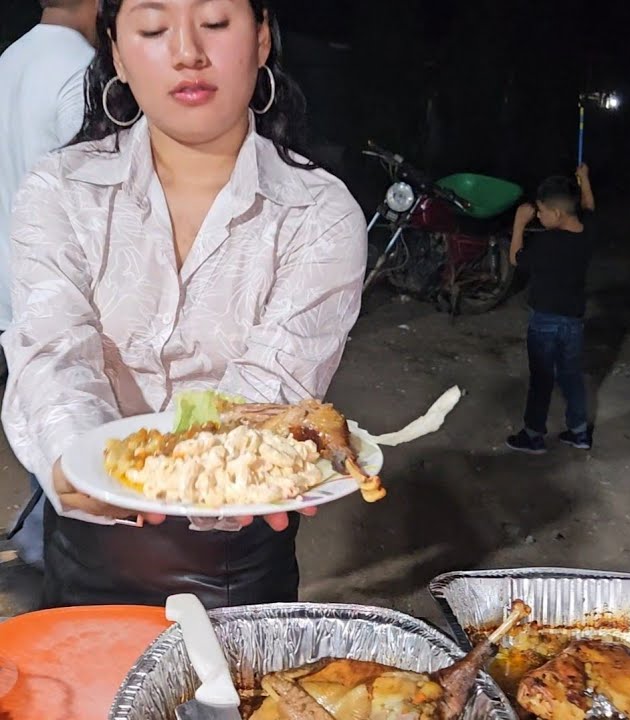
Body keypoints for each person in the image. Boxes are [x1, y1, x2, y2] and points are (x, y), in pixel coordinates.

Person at [1, 0, 365, 608]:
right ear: (117, 50)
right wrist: (79, 461)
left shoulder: (319, 215)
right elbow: (52, 350)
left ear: (262, 39)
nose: (188, 52)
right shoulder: (58, 191)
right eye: (152, 27)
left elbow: (266, 393)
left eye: (217, 23)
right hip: (85, 552)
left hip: (236, 565)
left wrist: (165, 473)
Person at [0, 0, 99, 571]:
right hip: (59, 290)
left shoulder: (12, 58)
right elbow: (91, 195)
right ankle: (56, 548)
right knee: (71, 419)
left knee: (43, 411)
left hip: (15, 283)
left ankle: (42, 541)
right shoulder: (83, 72)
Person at [505, 165, 596, 454]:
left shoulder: (545, 242)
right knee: (571, 376)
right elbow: (588, 208)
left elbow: (516, 259)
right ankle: (580, 432)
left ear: (556, 214)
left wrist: (519, 224)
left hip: (544, 321)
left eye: (541, 211)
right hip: (573, 322)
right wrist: (585, 181)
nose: (539, 216)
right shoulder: (587, 233)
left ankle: (533, 435)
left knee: (542, 379)